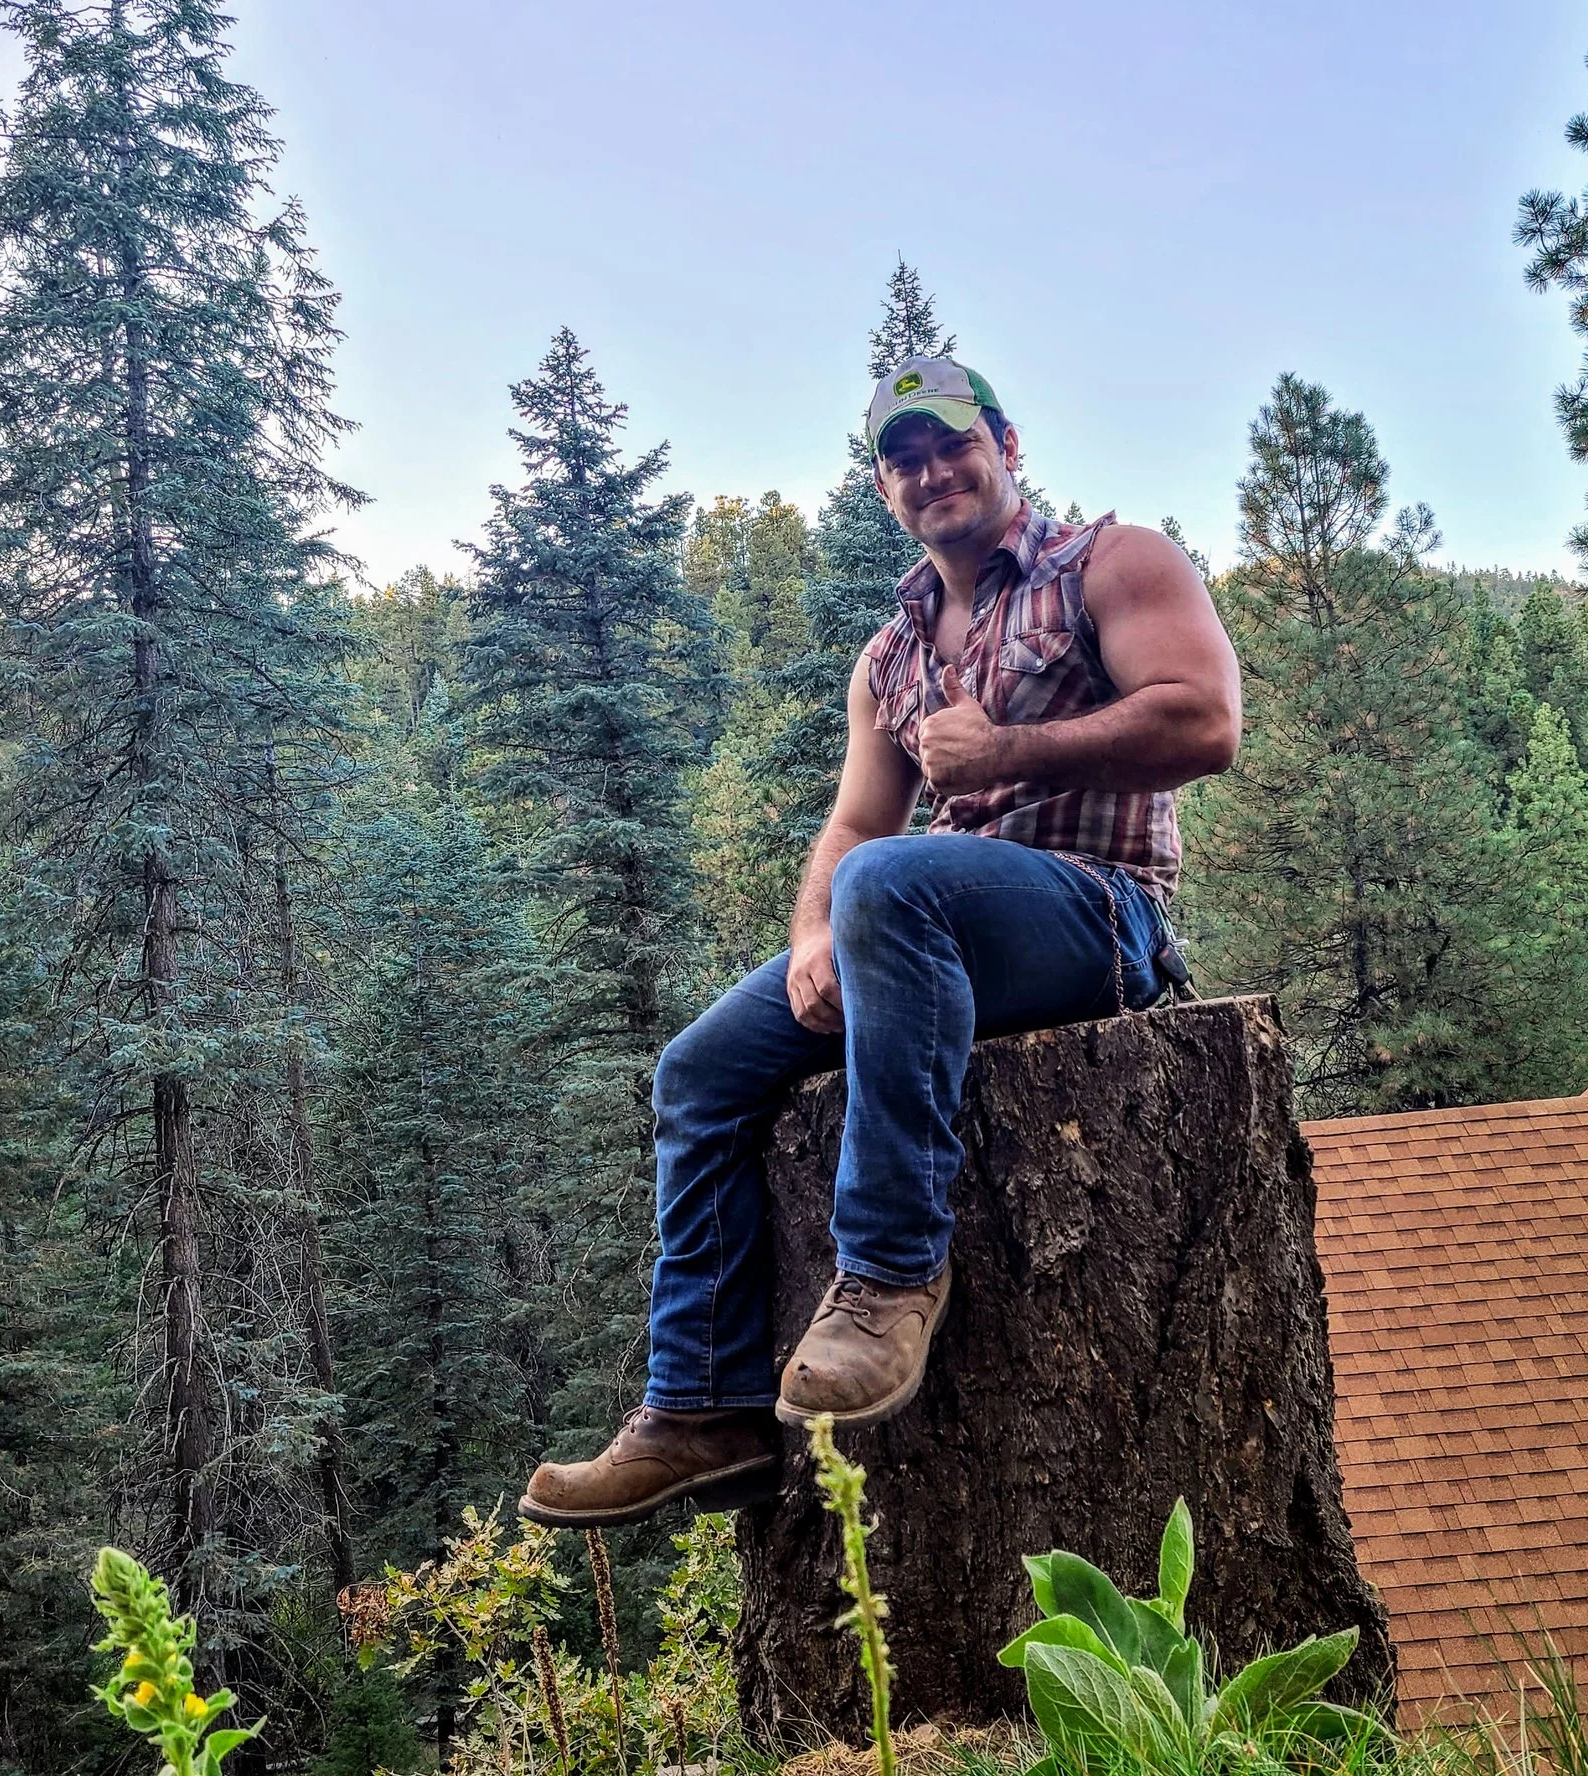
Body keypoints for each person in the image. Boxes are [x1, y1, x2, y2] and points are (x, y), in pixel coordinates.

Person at [519, 355, 1242, 1527]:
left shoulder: (1112, 563)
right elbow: (857, 824)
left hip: (1100, 917)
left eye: (953, 444)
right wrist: (815, 935)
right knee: (701, 1071)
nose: (931, 471)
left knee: (893, 883)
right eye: (902, 459)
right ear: (881, 488)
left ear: (1006, 446)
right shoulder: (891, 655)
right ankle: (701, 1410)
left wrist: (1007, 753)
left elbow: (1205, 722)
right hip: (919, 927)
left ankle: (893, 1272)